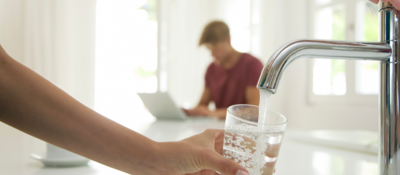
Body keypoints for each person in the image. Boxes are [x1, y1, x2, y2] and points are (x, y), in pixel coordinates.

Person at [0, 44, 249, 175]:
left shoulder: (250, 64)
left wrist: (155, 160)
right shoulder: (212, 69)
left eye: (213, 48)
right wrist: (155, 159)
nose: (212, 55)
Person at [184, 21, 264, 119]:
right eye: (209, 50)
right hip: (219, 129)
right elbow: (202, 106)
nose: (213, 55)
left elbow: (254, 110)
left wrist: (213, 113)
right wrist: (187, 112)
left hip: (244, 130)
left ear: (228, 41)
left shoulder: (252, 65)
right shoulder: (211, 69)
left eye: (215, 49)